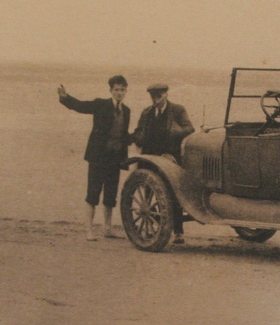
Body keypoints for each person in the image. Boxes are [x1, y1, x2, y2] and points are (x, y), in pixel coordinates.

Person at [58, 75, 131, 241]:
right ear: (111, 91)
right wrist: (65, 98)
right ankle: (89, 230)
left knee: (110, 195)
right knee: (93, 193)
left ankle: (107, 229)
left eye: (122, 90)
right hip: (98, 158)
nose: (119, 93)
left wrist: (140, 137)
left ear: (126, 91)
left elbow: (124, 136)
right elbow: (81, 106)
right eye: (116, 90)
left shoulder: (126, 111)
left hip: (115, 159)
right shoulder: (101, 104)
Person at [132, 83, 195, 243]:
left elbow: (189, 129)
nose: (156, 100)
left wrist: (174, 132)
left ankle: (178, 232)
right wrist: (136, 138)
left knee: (174, 194)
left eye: (159, 96)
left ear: (166, 94)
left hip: (169, 157)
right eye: (153, 97)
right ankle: (152, 229)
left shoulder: (177, 110)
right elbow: (139, 132)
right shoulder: (147, 112)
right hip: (150, 158)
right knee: (147, 194)